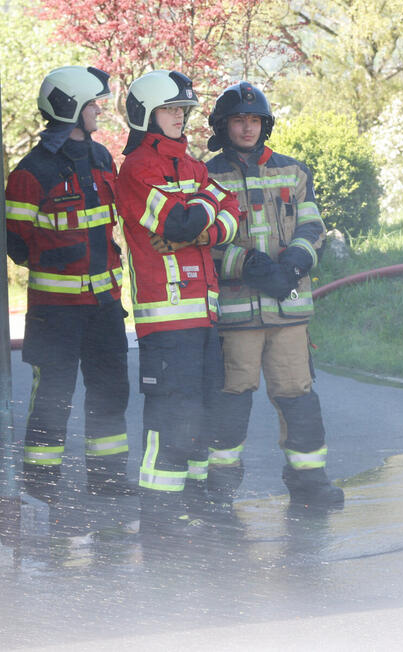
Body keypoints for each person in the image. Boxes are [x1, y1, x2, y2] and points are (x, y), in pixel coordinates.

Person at [114, 70, 240, 544]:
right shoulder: (136, 170)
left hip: (203, 316)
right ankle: (161, 521)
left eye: (183, 111)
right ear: (147, 114)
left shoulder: (192, 167)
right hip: (165, 322)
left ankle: (195, 508)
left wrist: (199, 218)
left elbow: (226, 218)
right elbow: (189, 220)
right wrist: (206, 209)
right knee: (170, 419)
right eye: (170, 110)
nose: (179, 118)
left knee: (204, 414)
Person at [204, 81, 344, 509]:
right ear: (223, 126)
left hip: (289, 310)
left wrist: (295, 265)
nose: (247, 129)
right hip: (236, 316)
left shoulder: (294, 171)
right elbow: (202, 239)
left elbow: (311, 226)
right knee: (231, 401)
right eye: (238, 121)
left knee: (298, 397)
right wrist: (244, 264)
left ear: (265, 126)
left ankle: (309, 482)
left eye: (254, 121)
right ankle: (220, 488)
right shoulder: (205, 176)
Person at [5, 65, 131, 505]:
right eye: (93, 103)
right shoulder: (31, 171)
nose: (99, 110)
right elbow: (16, 243)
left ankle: (109, 480)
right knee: (53, 398)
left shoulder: (101, 159)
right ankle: (40, 489)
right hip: (55, 311)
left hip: (105, 307)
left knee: (111, 392)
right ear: (71, 107)